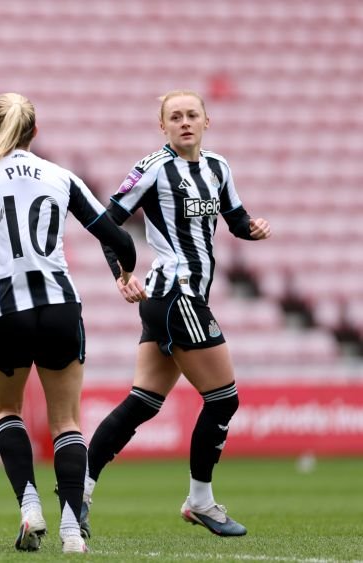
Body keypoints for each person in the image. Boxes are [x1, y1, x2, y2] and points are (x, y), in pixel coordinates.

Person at [0, 93, 139, 553]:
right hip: (59, 305)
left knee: (8, 412)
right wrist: (125, 273)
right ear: (35, 132)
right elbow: (120, 239)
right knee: (66, 421)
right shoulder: (61, 175)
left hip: (2, 310)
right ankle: (71, 531)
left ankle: (29, 508)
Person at [84, 90, 271, 537]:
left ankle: (79, 490)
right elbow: (107, 223)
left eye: (191, 115)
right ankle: (200, 501)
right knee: (223, 398)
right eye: (175, 116)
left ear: (207, 121)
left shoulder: (218, 167)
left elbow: (236, 219)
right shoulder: (152, 168)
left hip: (179, 299)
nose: (184, 122)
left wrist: (253, 229)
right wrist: (122, 273)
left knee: (142, 403)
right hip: (176, 294)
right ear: (162, 125)